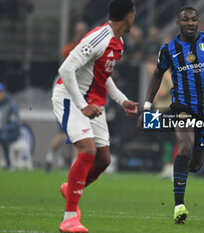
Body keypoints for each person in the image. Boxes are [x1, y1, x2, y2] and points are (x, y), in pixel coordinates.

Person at [137, 6, 204, 224]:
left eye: (194, 19)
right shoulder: (169, 49)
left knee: (195, 164)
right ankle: (179, 206)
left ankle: (192, 164)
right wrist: (146, 108)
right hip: (182, 108)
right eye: (186, 20)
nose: (190, 23)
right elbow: (156, 75)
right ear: (178, 23)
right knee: (184, 145)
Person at [52, 0, 138, 232]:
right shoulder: (98, 38)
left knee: (103, 160)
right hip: (71, 97)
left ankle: (69, 188)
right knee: (88, 151)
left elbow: (103, 75)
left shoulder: (118, 42)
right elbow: (66, 69)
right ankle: (70, 218)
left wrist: (122, 101)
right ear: (130, 16)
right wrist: (82, 105)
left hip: (93, 101)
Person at [0, 83, 20, 169]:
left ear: (5, 93)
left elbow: (14, 122)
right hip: (2, 131)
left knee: (3, 137)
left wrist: (3, 128)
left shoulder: (11, 104)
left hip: (12, 132)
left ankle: (9, 163)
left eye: (0, 92)